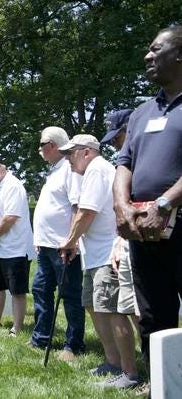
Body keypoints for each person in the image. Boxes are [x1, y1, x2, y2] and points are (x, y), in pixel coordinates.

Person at [113, 26, 182, 383]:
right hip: (144, 230)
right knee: (153, 311)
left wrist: (166, 202)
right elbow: (124, 163)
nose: (148, 57)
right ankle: (161, 384)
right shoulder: (141, 112)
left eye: (156, 50)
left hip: (177, 221)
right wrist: (122, 206)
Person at [58, 135, 139, 389]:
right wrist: (74, 242)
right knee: (95, 307)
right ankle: (112, 361)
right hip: (94, 255)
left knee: (114, 312)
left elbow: (87, 212)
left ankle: (129, 372)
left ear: (86, 152)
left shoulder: (96, 170)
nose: (67, 160)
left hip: (107, 254)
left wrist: (70, 241)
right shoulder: (91, 171)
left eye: (70, 154)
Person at [30, 127, 85, 361]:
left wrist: (71, 241)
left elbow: (76, 207)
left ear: (52, 145)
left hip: (64, 247)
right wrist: (39, 239)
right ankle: (41, 338)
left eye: (41, 145)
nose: (39, 149)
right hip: (46, 246)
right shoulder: (54, 171)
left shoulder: (69, 170)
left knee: (70, 295)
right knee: (41, 289)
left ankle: (73, 345)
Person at [0, 153, 33, 336]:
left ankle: (16, 328)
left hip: (16, 248)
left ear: (0, 166)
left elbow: (10, 217)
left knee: (17, 291)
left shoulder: (13, 186)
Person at [101, 110, 141, 332]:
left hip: (149, 242)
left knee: (142, 308)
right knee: (129, 307)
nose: (115, 144)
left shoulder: (145, 161)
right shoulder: (124, 164)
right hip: (126, 243)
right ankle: (147, 362)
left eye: (117, 138)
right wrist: (119, 242)